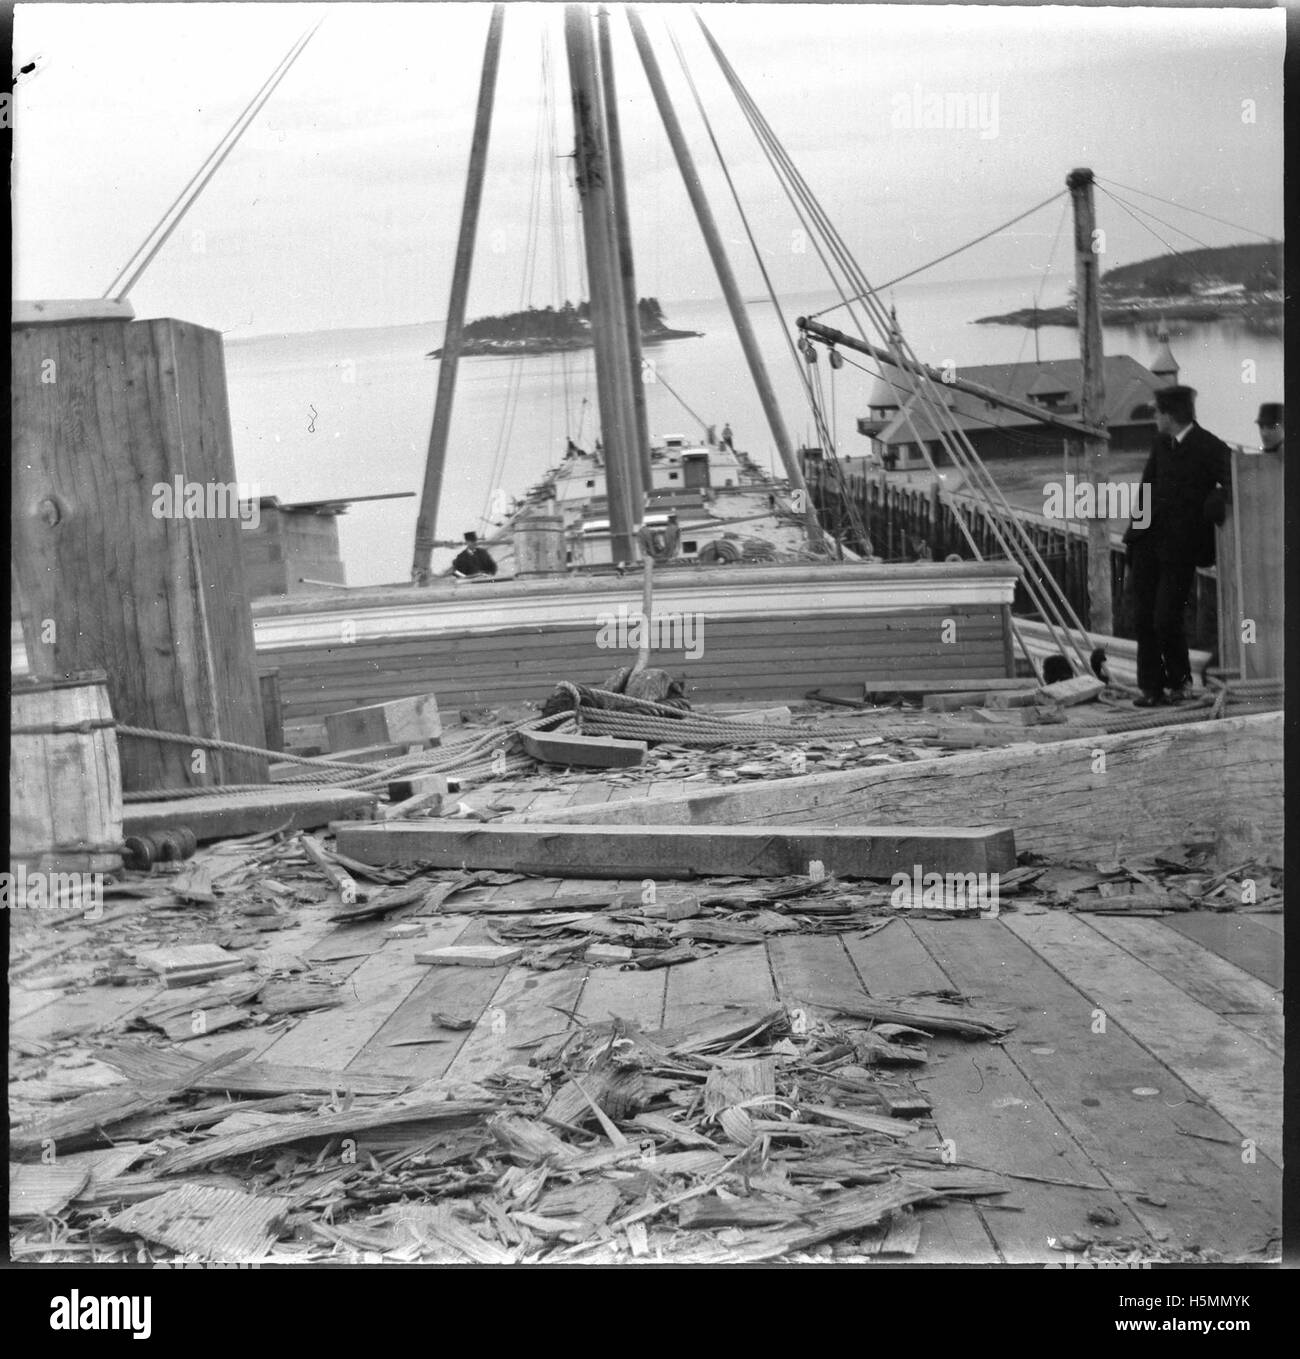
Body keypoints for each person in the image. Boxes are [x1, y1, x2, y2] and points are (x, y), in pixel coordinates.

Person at [1122, 385, 1230, 707]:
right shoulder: (1160, 444)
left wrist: (1216, 500)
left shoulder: (1210, 446)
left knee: (1166, 618)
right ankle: (1151, 689)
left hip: (1180, 550)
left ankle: (1180, 684)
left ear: (1170, 415)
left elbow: (1236, 479)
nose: (1154, 417)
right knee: (1144, 618)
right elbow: (1145, 492)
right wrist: (1133, 537)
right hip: (1147, 546)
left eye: (1157, 412)